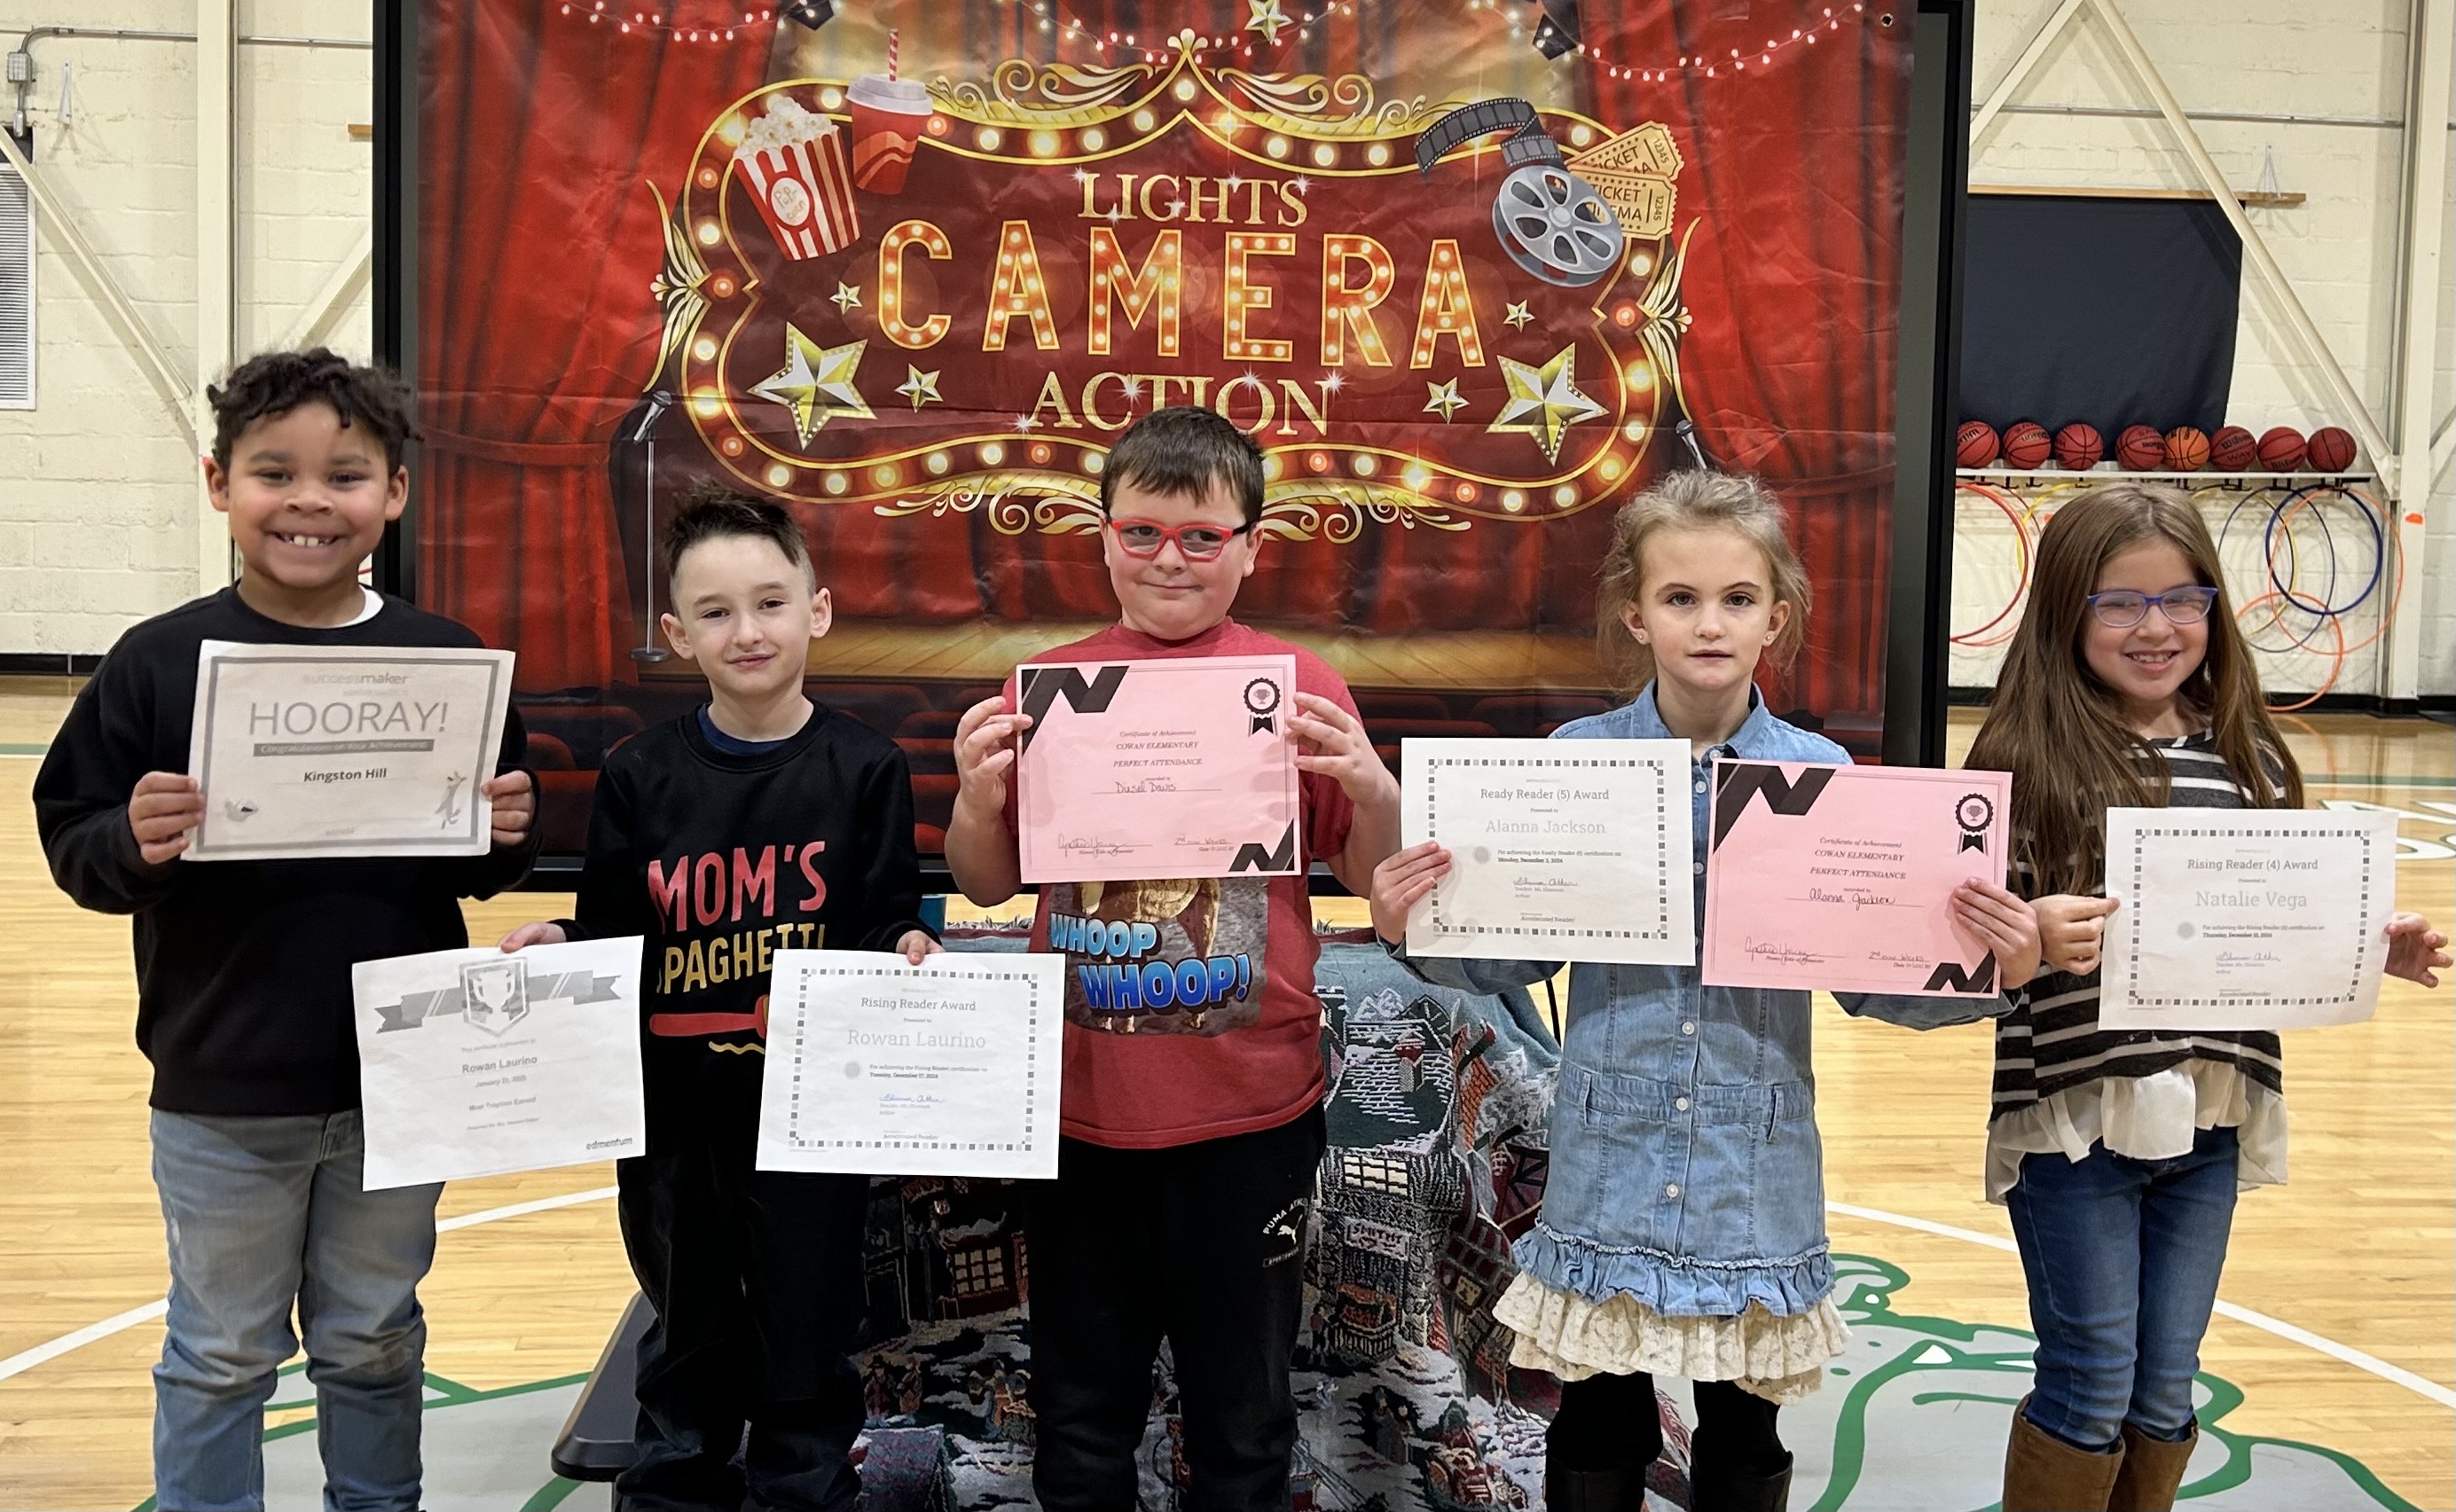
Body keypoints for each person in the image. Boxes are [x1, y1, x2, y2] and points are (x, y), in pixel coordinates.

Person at [1368, 471, 2043, 1512]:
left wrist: (1991, 964)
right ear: (1634, 613)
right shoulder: (1576, 762)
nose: (1709, 622)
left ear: (1778, 614)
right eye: (1680, 598)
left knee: (1742, 1418)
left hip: (1753, 1160)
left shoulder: (1822, 777)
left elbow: (1874, 985)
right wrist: (1418, 928)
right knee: (1597, 1412)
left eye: (1736, 598)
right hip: (1611, 1154)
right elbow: (1513, 962)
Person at [33, 348, 539, 1512]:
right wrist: (132, 838)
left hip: (400, 1079)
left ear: (395, 494)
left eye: (346, 475)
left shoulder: (443, 662)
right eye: (275, 471)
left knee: (372, 1335)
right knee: (220, 1351)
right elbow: (76, 841)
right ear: (219, 482)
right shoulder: (158, 662)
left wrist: (509, 826)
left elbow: (481, 856)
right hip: (222, 1090)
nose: (310, 499)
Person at [942, 405, 1401, 1512]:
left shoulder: (1303, 685)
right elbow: (986, 882)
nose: (1170, 559)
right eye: (1143, 532)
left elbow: (1374, 890)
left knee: (1242, 1413)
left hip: (1250, 1114)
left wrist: (1376, 788)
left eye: (1203, 536)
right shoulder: (1041, 686)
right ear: (1101, 536)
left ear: (1252, 543)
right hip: (1082, 1114)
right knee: (1080, 1410)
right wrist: (975, 794)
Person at [1964, 483, 2449, 1512]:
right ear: (2065, 611)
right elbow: (1968, 954)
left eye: (2183, 599)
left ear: (2215, 609)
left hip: (2212, 1123)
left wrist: (2364, 952)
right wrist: (2029, 938)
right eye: (2119, 603)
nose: (2157, 627)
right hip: (2077, 1125)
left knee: (2166, 1388)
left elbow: (2271, 927)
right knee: (2090, 1382)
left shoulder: (2253, 755)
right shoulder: (2022, 756)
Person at [499, 490, 938, 1512]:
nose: (747, 631)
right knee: (687, 1332)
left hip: (809, 1115)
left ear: (817, 612)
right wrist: (559, 945)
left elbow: (882, 921)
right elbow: (611, 929)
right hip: (673, 1115)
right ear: (674, 634)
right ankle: (673, 1488)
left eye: (771, 602)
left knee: (806, 1331)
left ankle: (806, 1487)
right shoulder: (639, 775)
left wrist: (910, 948)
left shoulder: (864, 766)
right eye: (715, 611)